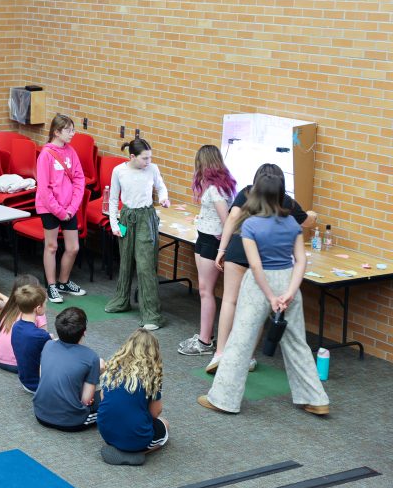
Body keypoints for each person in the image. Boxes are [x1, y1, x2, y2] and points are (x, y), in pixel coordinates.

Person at [199, 173, 330, 416]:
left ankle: (223, 399)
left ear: (257, 192)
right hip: (289, 280)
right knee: (298, 343)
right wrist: (289, 292)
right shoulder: (292, 223)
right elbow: (301, 261)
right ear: (281, 193)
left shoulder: (251, 225)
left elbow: (256, 266)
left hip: (260, 284)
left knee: (240, 341)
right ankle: (316, 398)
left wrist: (270, 295)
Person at [207, 162, 317, 373]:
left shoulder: (247, 192)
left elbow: (232, 217)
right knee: (257, 309)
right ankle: (245, 357)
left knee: (229, 300)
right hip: (264, 257)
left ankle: (220, 353)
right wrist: (313, 215)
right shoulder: (285, 200)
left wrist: (221, 250)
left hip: (238, 250)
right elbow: (306, 222)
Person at [104, 138, 170, 330]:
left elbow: (161, 187)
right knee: (125, 262)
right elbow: (113, 198)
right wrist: (114, 223)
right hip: (126, 217)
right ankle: (122, 300)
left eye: (150, 158)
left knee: (145, 265)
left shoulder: (153, 169)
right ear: (132, 156)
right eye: (145, 158)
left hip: (145, 218)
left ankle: (151, 313)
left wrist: (164, 198)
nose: (148, 162)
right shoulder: (119, 171)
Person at [177, 145, 236, 357]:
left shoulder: (215, 189)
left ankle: (205, 340)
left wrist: (223, 242)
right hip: (204, 236)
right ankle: (205, 337)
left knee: (205, 290)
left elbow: (227, 219)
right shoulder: (215, 185)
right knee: (204, 289)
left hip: (212, 241)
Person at [35, 114, 87, 303]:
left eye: (73, 130)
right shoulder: (45, 155)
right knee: (52, 246)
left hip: (69, 208)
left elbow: (79, 179)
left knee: (73, 247)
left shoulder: (71, 152)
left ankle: (63, 282)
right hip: (49, 208)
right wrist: (59, 211)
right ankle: (51, 286)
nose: (73, 134)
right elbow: (43, 188)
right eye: (69, 130)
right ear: (56, 132)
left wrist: (72, 208)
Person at [98, 329, 170, 454]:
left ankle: (120, 447)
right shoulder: (151, 376)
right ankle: (137, 453)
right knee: (165, 424)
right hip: (137, 437)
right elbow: (155, 412)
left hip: (106, 433)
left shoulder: (112, 368)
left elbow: (103, 397)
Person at [32, 307, 103, 432]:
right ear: (84, 331)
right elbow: (86, 401)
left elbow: (42, 377)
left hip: (40, 413)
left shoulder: (48, 345)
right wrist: (99, 371)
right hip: (71, 421)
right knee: (108, 396)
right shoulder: (91, 357)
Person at [0, 275, 49, 373]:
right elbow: (43, 341)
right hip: (22, 365)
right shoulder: (38, 314)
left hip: (0, 360)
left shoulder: (8, 309)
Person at [10, 282, 53, 392]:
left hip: (25, 382)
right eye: (45, 304)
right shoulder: (40, 335)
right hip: (40, 386)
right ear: (38, 308)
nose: (46, 306)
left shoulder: (16, 326)